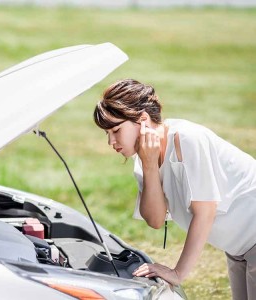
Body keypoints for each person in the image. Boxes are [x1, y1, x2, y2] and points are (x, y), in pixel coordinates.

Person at [93, 79, 256, 300]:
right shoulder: (143, 159)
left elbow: (205, 212)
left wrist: (177, 273)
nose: (111, 141)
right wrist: (150, 167)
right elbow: (155, 219)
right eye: (107, 134)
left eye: (116, 130)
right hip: (238, 250)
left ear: (142, 120)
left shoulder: (187, 139)